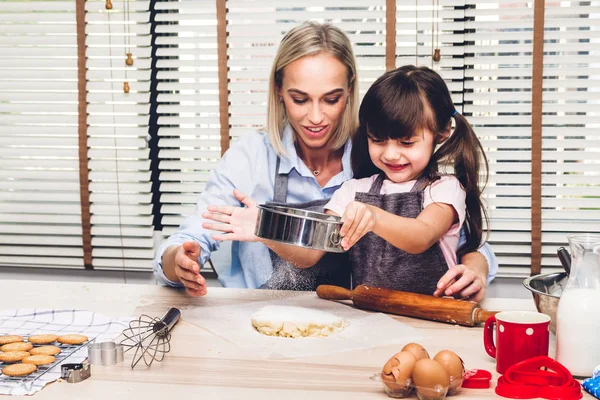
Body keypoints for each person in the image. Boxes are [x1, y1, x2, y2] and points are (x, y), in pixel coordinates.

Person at [154, 22, 496, 300]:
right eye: (300, 99)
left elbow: (457, 241)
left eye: (331, 99)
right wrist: (180, 261)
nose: (315, 117)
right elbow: (193, 239)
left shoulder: (379, 157)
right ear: (279, 91)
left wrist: (476, 270)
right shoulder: (254, 157)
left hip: (365, 320)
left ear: (349, 91)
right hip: (261, 320)